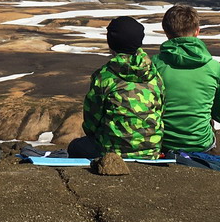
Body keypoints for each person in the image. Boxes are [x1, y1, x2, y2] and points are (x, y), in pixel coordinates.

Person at [68, 16, 164, 159]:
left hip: (111, 152)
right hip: (151, 151)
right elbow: (161, 109)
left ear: (111, 43)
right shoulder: (154, 75)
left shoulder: (104, 76)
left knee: (75, 147)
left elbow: (92, 121)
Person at [155, 4, 220, 157]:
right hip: (201, 144)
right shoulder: (213, 67)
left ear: (166, 32)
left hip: (162, 142)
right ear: (197, 31)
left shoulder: (155, 64)